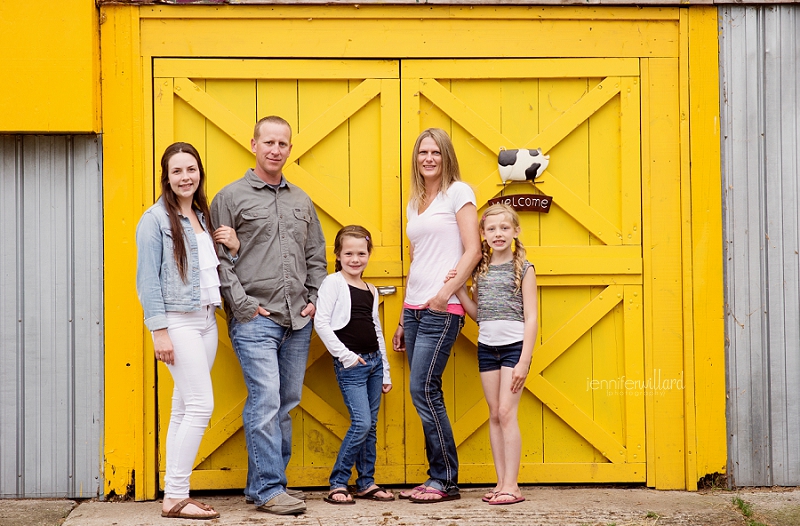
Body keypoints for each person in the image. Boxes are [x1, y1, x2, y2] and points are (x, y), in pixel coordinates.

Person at [210, 116, 327, 516]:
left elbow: (316, 255)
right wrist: (243, 307)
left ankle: (264, 483)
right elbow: (219, 262)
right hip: (255, 318)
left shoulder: (301, 200)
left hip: (298, 320)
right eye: (269, 142)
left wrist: (314, 299)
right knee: (265, 401)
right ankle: (269, 489)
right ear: (254, 145)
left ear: (290, 149)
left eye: (283, 144)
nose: (276, 149)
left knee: (286, 403)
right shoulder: (230, 197)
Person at [136, 142, 240, 520]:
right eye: (177, 171)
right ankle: (176, 497)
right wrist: (159, 332)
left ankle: (174, 492)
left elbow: (211, 270)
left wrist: (234, 245)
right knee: (200, 405)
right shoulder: (154, 220)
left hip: (206, 320)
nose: (185, 177)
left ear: (199, 173)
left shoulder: (201, 214)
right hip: (176, 321)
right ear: (166, 176)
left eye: (191, 170)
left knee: (182, 408)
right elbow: (147, 280)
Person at [392, 128, 482, 503]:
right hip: (414, 309)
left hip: (442, 309)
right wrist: (401, 317)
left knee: (424, 389)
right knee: (423, 392)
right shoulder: (415, 201)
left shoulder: (458, 192)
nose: (428, 158)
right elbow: (417, 263)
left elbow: (473, 250)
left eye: (436, 152)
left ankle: (445, 479)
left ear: (446, 156)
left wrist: (446, 294)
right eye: (422, 152)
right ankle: (436, 476)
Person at [453, 203, 538, 505]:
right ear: (483, 234)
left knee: (506, 412)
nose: (498, 234)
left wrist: (524, 361)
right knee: (493, 414)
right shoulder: (481, 270)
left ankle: (513, 486)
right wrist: (461, 292)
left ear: (515, 231)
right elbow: (480, 314)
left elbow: (531, 318)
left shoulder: (525, 269)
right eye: (491, 229)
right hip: (487, 348)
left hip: (514, 349)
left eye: (504, 228)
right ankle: (501, 481)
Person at [314, 225, 395, 505]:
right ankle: (338, 482)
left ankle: (366, 482)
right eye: (348, 253)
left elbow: (376, 329)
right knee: (361, 423)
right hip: (352, 365)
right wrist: (346, 356)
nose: (355, 259)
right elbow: (321, 323)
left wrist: (384, 368)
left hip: (373, 363)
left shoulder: (371, 289)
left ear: (369, 254)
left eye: (361, 253)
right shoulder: (333, 283)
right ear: (338, 255)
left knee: (370, 426)